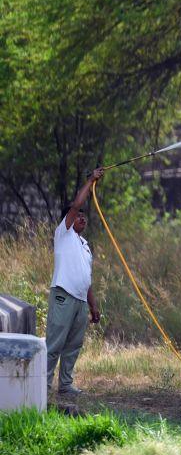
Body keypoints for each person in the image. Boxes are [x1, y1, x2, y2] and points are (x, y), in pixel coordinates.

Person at [46, 168, 104, 397]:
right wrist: (90, 180)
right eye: (78, 214)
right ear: (68, 219)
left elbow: (86, 278)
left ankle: (66, 385)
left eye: (83, 215)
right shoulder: (64, 233)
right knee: (55, 343)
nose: (82, 217)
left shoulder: (85, 245)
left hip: (80, 300)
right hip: (64, 294)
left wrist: (93, 306)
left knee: (73, 345)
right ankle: (42, 385)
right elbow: (77, 204)